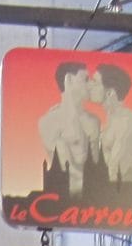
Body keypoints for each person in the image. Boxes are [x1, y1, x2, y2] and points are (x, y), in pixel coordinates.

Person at [37, 59, 100, 197]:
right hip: (66, 202)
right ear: (69, 79)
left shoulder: (94, 122)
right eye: (86, 79)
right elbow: (63, 169)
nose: (90, 84)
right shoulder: (50, 122)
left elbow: (96, 169)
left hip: (92, 203)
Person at [94, 63, 132, 195]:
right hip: (110, 201)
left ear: (110, 93)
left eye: (95, 83)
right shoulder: (108, 125)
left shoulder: (129, 122)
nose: (90, 86)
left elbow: (117, 169)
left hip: (126, 201)